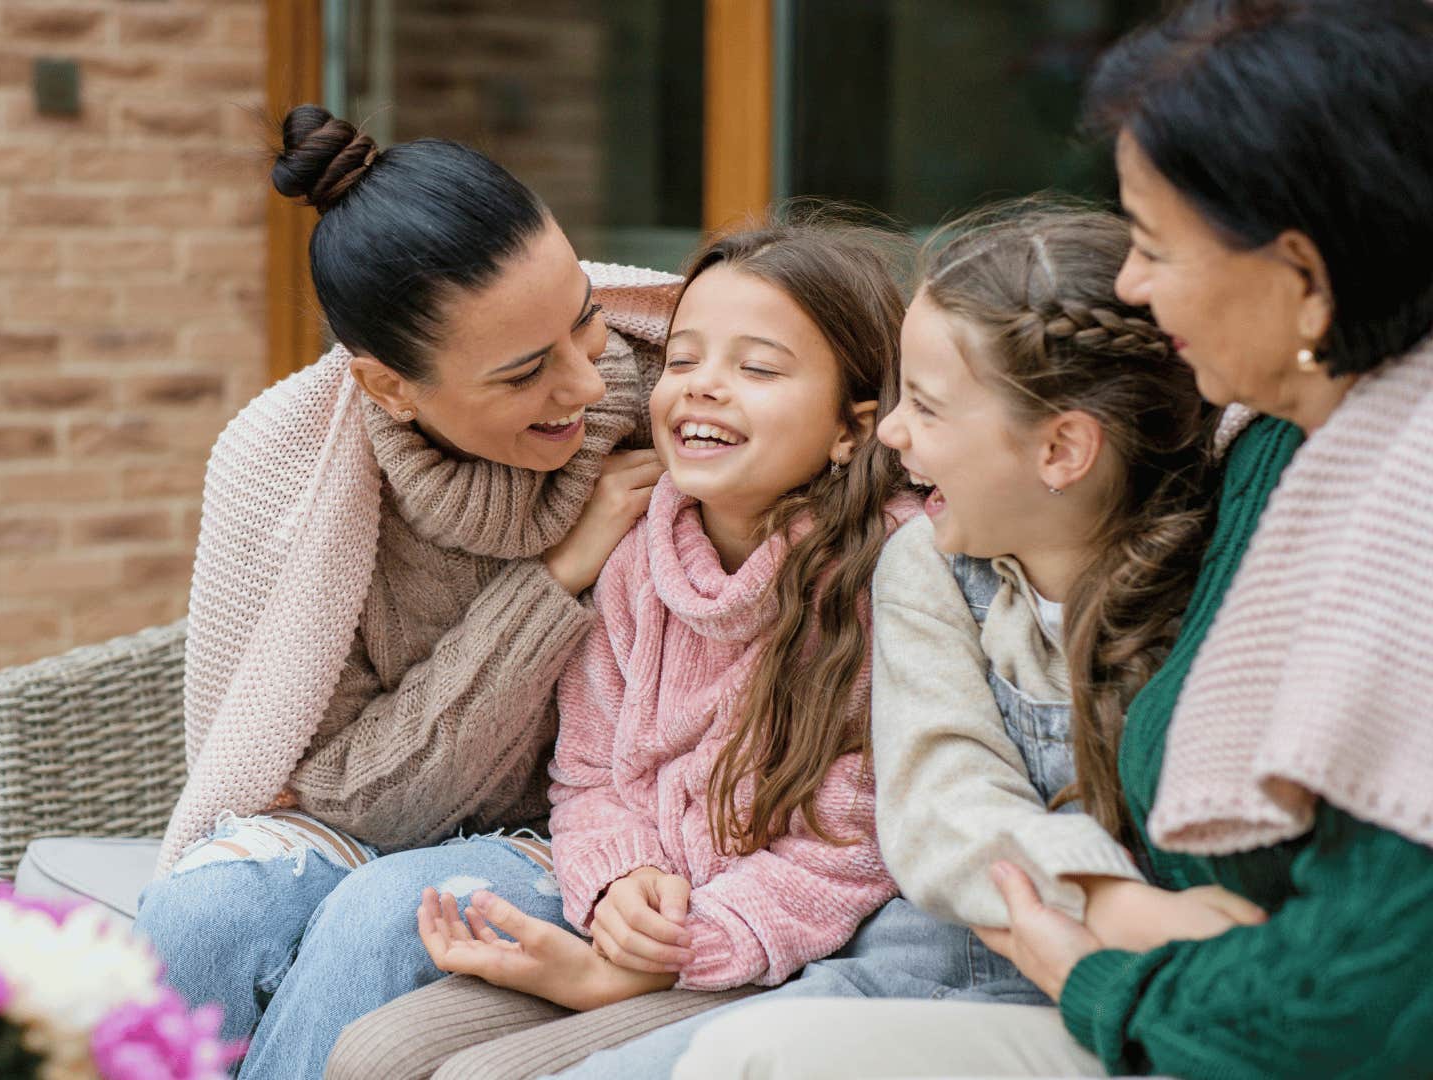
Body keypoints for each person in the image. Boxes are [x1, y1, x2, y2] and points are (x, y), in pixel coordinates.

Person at [678, 3, 1433, 1075]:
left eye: (1158, 245)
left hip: (1202, 1009)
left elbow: (1359, 997)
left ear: (1302, 275)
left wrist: (1106, 969)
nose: (1132, 281)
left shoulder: (1370, 499)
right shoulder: (1270, 433)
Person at [331, 215, 1045, 1080]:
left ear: (853, 429)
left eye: (757, 368)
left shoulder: (881, 579)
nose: (702, 388)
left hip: (788, 945)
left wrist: (663, 954)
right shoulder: (641, 555)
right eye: (683, 360)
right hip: (656, 923)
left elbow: (853, 847)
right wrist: (619, 883)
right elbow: (591, 770)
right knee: (377, 1054)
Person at [133, 103, 679, 1079]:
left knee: (386, 919)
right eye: (523, 374)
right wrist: (555, 581)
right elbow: (345, 792)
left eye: (585, 318)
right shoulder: (301, 482)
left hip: (585, 838)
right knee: (200, 915)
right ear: (391, 390)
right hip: (370, 824)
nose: (589, 388)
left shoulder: (682, 413)